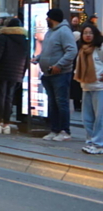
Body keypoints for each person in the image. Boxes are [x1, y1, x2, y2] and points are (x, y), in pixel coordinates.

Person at [35, 8, 77, 142]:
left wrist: (59, 65)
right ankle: (55, 129)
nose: (46, 20)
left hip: (60, 74)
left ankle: (65, 131)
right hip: (48, 74)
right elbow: (48, 50)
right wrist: (39, 58)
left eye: (48, 17)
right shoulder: (50, 32)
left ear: (52, 18)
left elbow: (71, 51)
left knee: (61, 102)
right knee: (53, 103)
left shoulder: (64, 31)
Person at [0, 17, 30, 134]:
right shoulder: (24, 40)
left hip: (1, 72)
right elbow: (26, 60)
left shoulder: (3, 38)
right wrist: (21, 74)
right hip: (16, 74)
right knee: (9, 98)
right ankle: (6, 125)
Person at [74, 24, 103, 154]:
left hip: (100, 87)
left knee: (100, 117)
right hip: (86, 86)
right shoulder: (82, 50)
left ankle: (98, 143)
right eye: (85, 33)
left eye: (90, 33)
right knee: (87, 117)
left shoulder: (100, 48)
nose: (87, 35)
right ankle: (90, 141)